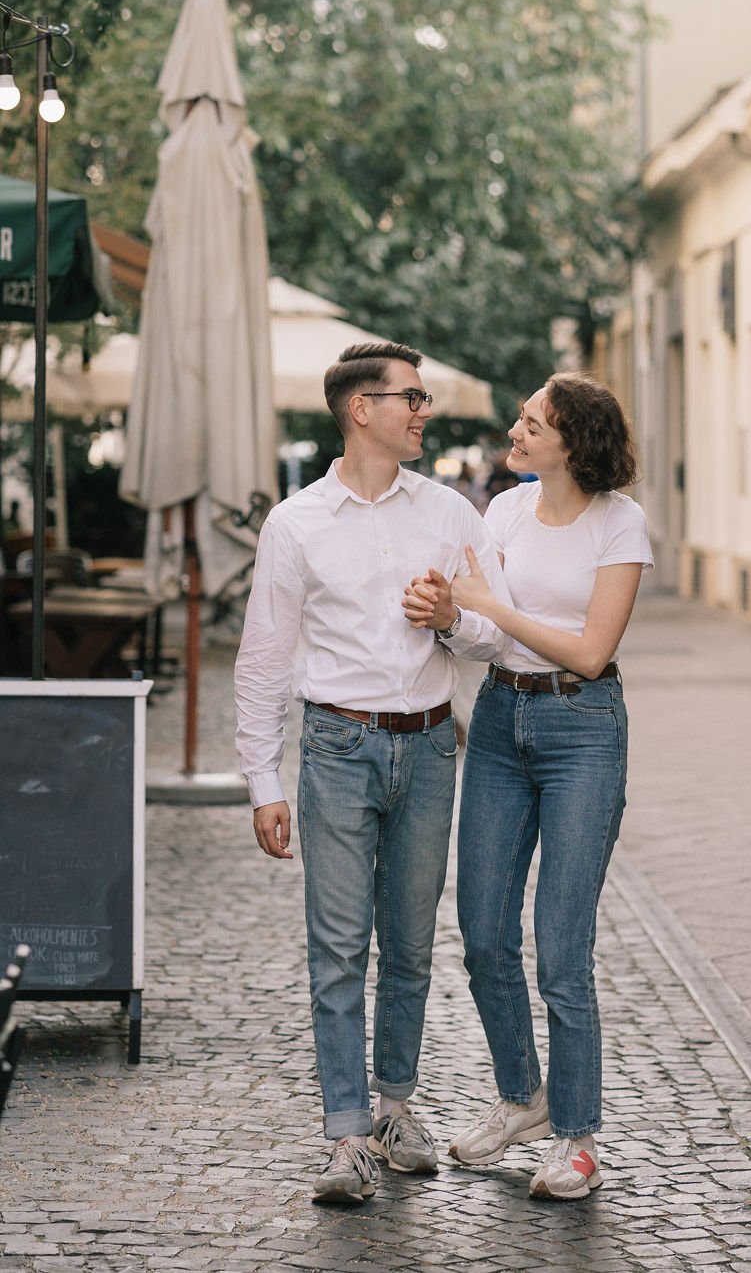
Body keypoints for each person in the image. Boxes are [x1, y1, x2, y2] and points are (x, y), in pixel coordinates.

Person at [234, 342, 510, 1207]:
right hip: (335, 749)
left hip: (430, 749)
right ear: (362, 409)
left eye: (424, 398)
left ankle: (396, 1109)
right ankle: (346, 1135)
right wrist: (261, 781)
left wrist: (452, 618)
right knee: (337, 947)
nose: (424, 411)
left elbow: (496, 635)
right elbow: (262, 659)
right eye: (411, 397)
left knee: (412, 946)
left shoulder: (451, 515)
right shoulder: (296, 523)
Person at [403, 373, 652, 1200]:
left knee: (563, 948)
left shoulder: (620, 525)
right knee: (480, 934)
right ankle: (525, 1099)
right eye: (520, 419)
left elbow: (588, 650)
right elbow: (480, 633)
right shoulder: (504, 511)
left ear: (572, 442)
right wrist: (451, 615)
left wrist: (491, 611)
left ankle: (578, 1137)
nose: (516, 430)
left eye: (531, 422)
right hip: (504, 725)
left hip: (584, 728)